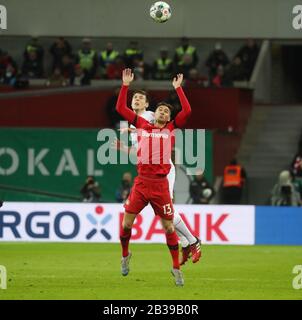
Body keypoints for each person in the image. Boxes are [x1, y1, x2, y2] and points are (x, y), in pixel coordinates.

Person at [116, 68, 196, 286]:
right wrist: (125, 86)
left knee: (169, 227)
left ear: (169, 117)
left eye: (165, 111)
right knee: (126, 224)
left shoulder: (171, 128)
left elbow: (187, 111)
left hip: (160, 184)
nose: (161, 112)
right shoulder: (142, 125)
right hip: (142, 183)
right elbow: (120, 108)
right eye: (159, 110)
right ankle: (125, 256)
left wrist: (178, 90)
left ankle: (176, 268)